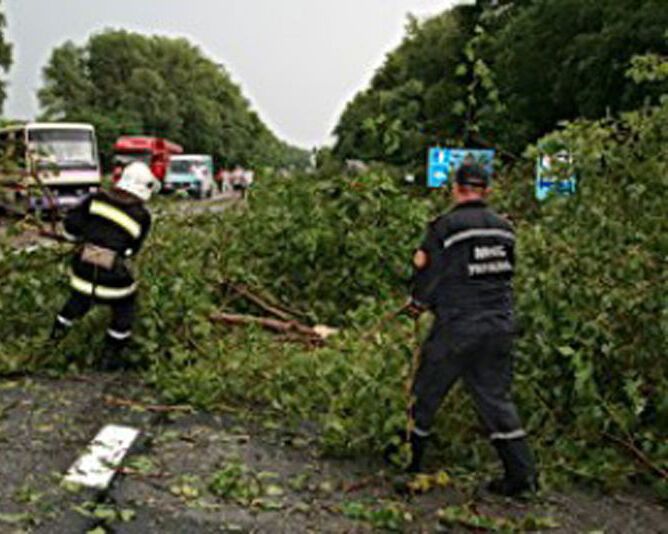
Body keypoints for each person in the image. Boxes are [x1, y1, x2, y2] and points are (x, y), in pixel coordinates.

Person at [396, 162, 536, 497]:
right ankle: (522, 477)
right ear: (486, 191)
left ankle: (408, 466)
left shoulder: (445, 227)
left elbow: (427, 273)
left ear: (456, 188)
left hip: (458, 327)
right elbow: (505, 273)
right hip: (499, 325)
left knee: (425, 393)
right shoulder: (506, 229)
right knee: (496, 400)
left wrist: (417, 304)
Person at [49, 162, 155, 371]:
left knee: (78, 301)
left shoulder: (95, 198)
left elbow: (71, 226)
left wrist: (81, 243)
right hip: (113, 275)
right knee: (125, 305)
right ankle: (111, 356)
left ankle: (52, 343)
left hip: (83, 267)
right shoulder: (143, 216)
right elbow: (131, 251)